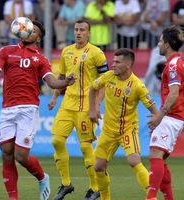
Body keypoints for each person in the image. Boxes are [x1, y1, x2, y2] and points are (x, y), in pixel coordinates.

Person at [0, 20, 76, 200]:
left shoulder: (41, 59)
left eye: (33, 31)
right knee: (6, 152)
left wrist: (65, 82)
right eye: (28, 29)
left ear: (39, 38)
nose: (29, 31)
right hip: (8, 108)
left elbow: (51, 82)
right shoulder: (6, 51)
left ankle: (42, 177)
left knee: (21, 155)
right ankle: (13, 198)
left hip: (28, 108)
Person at [48, 19, 108, 200]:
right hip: (67, 104)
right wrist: (54, 97)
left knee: (85, 146)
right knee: (57, 142)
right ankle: (66, 184)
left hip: (86, 105)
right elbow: (61, 77)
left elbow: (105, 81)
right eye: (76, 29)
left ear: (89, 33)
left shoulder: (97, 53)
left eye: (82, 30)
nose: (78, 32)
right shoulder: (66, 51)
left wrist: (96, 105)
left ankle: (95, 188)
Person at [89, 48, 159, 200]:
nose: (112, 64)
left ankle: (152, 197)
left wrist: (155, 120)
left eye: (117, 62)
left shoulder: (137, 85)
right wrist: (93, 108)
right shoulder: (108, 76)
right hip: (108, 131)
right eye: (113, 61)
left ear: (128, 65)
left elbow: (154, 109)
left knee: (134, 160)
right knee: (98, 167)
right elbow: (92, 88)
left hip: (127, 130)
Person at [146, 25, 184, 200]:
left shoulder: (174, 64)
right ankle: (168, 198)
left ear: (167, 44)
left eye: (160, 41)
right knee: (159, 157)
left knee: (155, 154)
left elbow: (175, 93)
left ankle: (151, 197)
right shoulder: (173, 62)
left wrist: (160, 116)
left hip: (171, 116)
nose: (158, 45)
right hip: (173, 116)